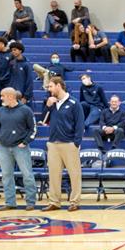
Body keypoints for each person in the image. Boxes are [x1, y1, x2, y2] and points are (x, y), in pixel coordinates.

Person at [39, 76, 84, 212]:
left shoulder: (74, 103)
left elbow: (80, 124)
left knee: (74, 174)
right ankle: (54, 202)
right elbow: (43, 120)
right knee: (53, 174)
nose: (49, 89)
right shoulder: (50, 103)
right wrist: (47, 106)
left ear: (59, 86)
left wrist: (76, 142)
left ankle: (75, 201)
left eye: (51, 86)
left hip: (69, 143)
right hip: (53, 144)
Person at [0, 87, 38, 210]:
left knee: (27, 174)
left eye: (2, 96)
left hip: (20, 147)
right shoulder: (0, 111)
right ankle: (10, 202)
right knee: (6, 175)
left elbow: (33, 129)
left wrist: (25, 142)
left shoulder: (26, 110)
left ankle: (30, 202)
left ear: (10, 96)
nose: (0, 98)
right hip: (3, 148)